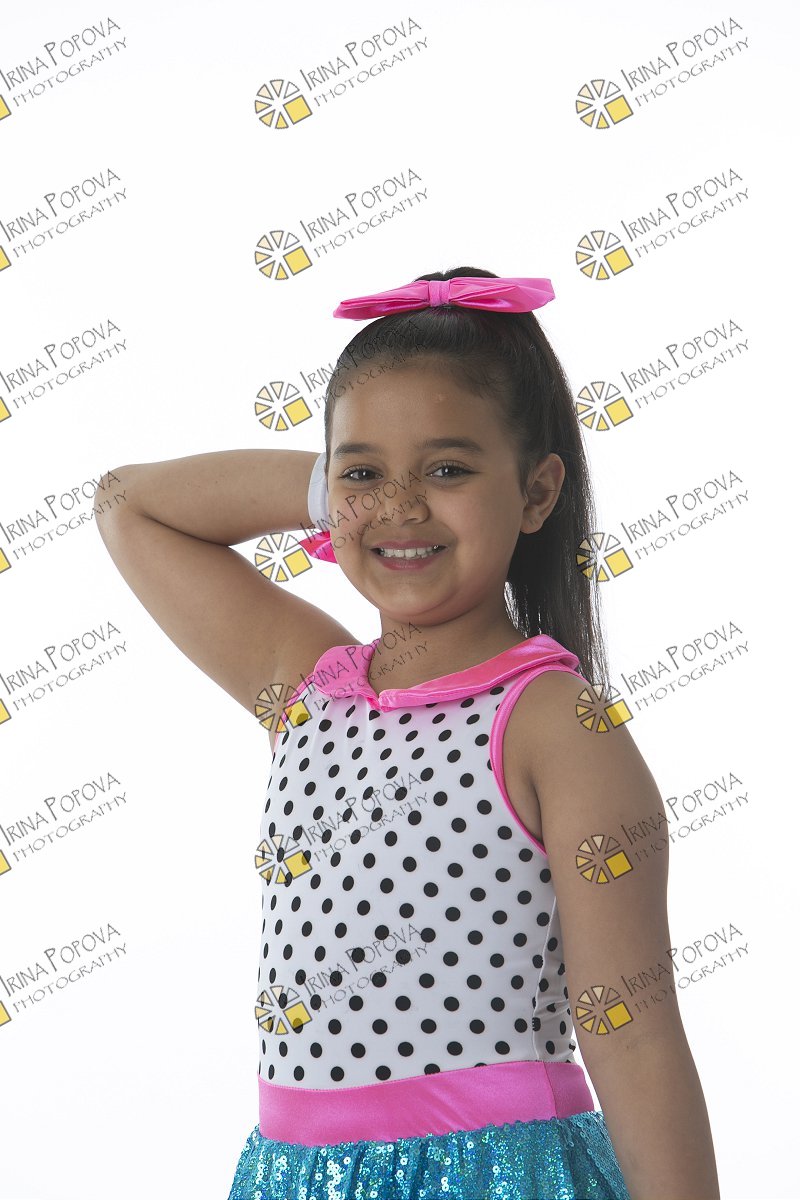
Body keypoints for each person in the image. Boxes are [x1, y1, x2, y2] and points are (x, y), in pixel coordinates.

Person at [94, 268, 720, 1200]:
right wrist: (332, 491)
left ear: (537, 492)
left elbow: (630, 1031)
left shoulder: (554, 722)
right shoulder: (307, 691)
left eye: (448, 469)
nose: (399, 508)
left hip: (498, 1173)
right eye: (363, 474)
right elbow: (127, 504)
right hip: (296, 1177)